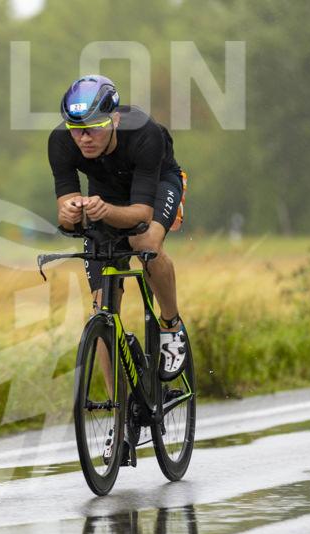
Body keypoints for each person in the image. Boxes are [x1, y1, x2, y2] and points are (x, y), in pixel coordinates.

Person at [48, 74, 188, 385]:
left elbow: (142, 215)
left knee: (145, 242)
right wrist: (71, 212)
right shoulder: (60, 142)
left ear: (114, 119)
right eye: (76, 129)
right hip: (106, 193)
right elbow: (68, 218)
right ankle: (119, 405)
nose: (84, 138)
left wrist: (105, 211)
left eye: (94, 127)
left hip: (157, 184)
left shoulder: (143, 133)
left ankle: (171, 324)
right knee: (102, 308)